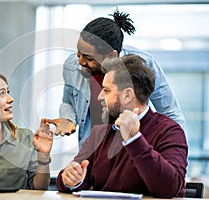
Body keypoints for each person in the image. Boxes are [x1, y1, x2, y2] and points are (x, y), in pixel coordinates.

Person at [46, 10, 185, 146]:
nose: (80, 62)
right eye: (78, 54)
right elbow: (68, 101)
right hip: (92, 149)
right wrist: (68, 118)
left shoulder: (145, 65)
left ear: (112, 56)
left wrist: (173, 154)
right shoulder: (71, 65)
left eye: (88, 58)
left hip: (130, 149)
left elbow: (170, 113)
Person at [56, 54, 188, 198]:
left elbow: (170, 188)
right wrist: (70, 179)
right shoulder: (100, 132)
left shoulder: (169, 131)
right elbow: (71, 176)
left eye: (106, 90)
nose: (100, 96)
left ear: (127, 95)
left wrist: (134, 139)